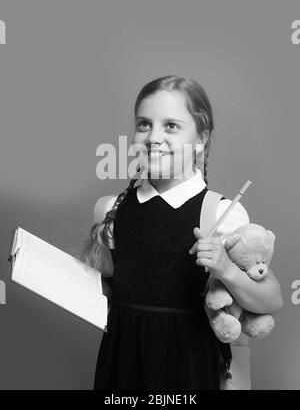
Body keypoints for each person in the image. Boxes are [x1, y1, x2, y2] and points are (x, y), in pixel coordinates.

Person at [80, 75, 282, 390]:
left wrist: (227, 269)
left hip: (190, 367)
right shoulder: (111, 208)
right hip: (121, 364)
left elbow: (271, 300)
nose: (153, 137)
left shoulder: (220, 213)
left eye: (171, 126)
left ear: (201, 139)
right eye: (144, 124)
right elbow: (110, 289)